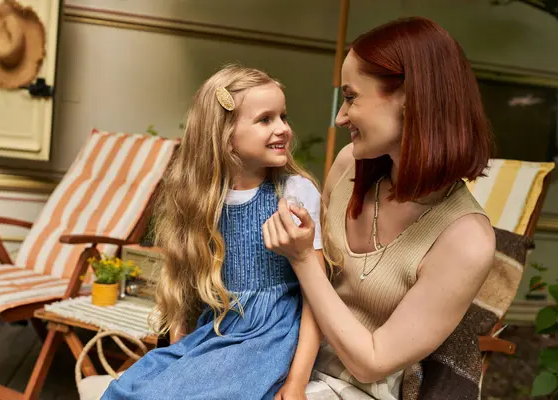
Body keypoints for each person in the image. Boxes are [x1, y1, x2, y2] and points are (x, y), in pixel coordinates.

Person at [263, 17, 496, 399]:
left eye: (351, 97)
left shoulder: (466, 239)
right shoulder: (348, 165)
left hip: (354, 387)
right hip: (283, 355)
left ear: (409, 97)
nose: (340, 117)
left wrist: (304, 259)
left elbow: (371, 361)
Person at [102, 65, 325, 400]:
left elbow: (316, 297)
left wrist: (296, 382)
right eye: (266, 119)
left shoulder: (294, 193)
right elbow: (187, 292)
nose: (283, 129)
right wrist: (182, 362)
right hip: (219, 328)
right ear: (224, 134)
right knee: (125, 390)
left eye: (283, 116)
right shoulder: (205, 201)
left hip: (268, 336)